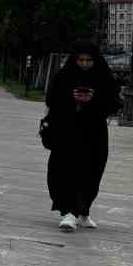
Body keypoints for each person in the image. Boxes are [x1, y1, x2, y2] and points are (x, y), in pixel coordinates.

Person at [44, 44, 121, 231]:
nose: (84, 64)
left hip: (94, 133)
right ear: (75, 60)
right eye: (81, 60)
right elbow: (51, 99)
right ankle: (68, 212)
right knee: (64, 170)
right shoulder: (64, 76)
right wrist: (71, 98)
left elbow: (114, 103)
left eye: (88, 60)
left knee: (92, 171)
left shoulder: (104, 77)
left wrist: (94, 99)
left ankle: (83, 210)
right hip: (67, 132)